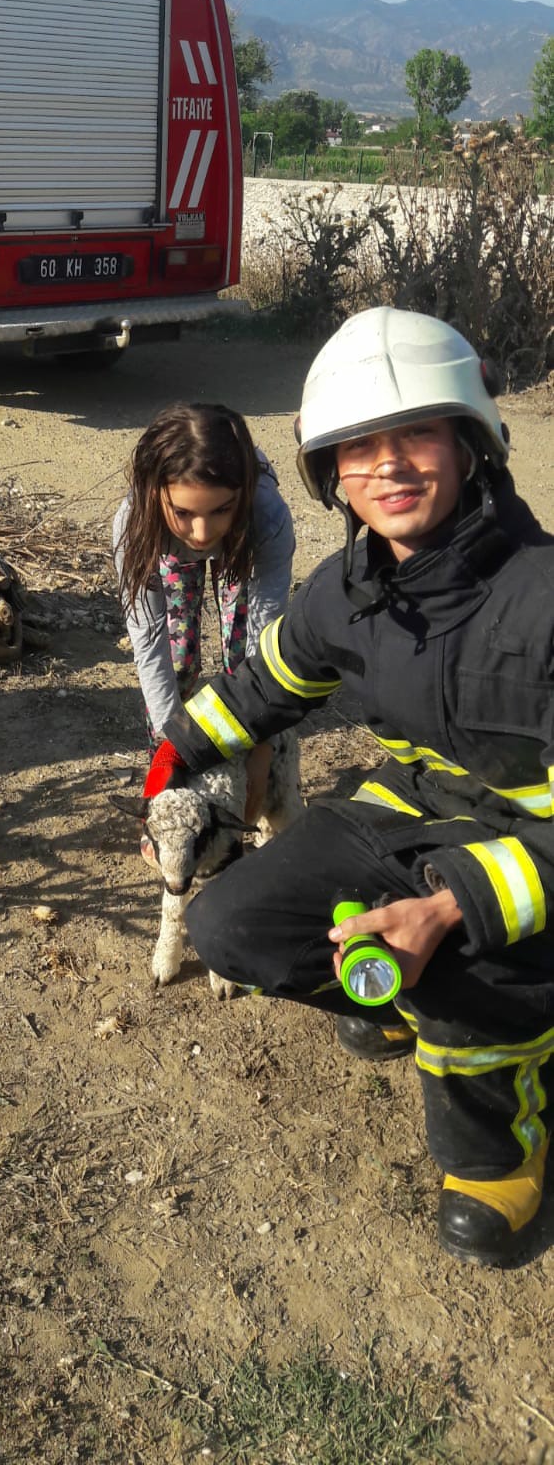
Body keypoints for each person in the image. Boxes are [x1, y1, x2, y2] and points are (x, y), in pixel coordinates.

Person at [145, 308, 554, 1267]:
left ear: (470, 443)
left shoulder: (545, 598)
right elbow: (262, 687)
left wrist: (450, 911)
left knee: (464, 971)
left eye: (416, 433)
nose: (391, 467)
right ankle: (414, 999)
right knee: (231, 928)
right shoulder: (350, 588)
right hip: (415, 810)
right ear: (330, 473)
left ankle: (503, 1150)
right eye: (358, 447)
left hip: (530, 853)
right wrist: (168, 762)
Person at [113, 402, 295, 824]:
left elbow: (264, 642)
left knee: (241, 667)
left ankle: (241, 774)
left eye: (219, 509)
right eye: (184, 512)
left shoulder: (266, 517)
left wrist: (261, 746)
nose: (202, 532)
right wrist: (167, 751)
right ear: (155, 493)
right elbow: (149, 641)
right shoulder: (134, 524)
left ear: (242, 495)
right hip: (165, 547)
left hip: (242, 546)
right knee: (177, 663)